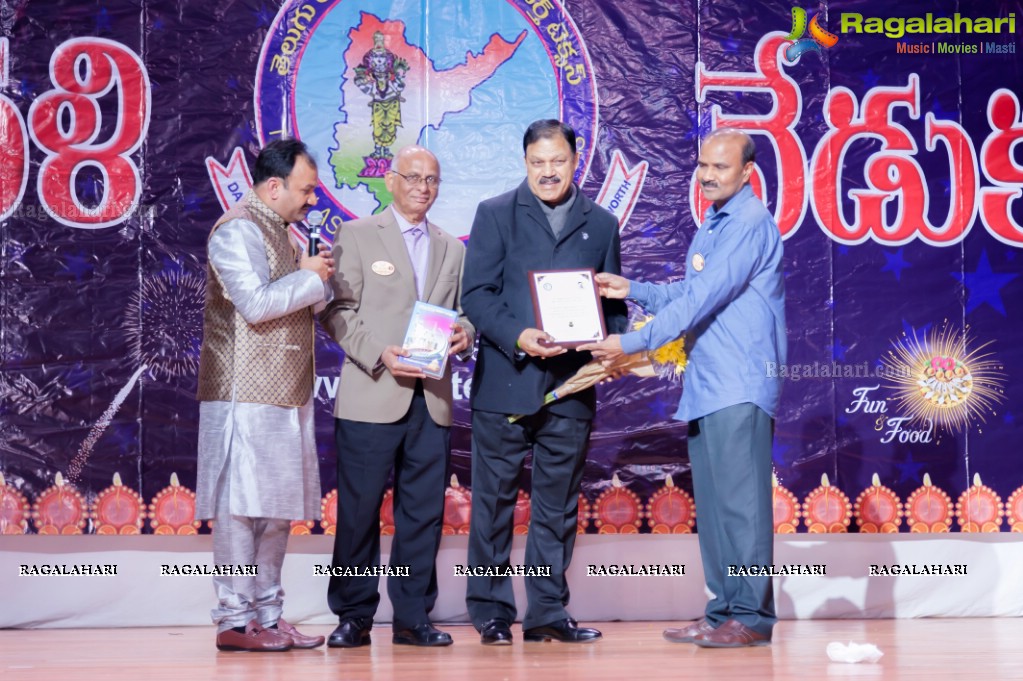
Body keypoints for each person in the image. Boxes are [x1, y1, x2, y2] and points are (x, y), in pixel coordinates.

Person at [580, 128, 786, 648]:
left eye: (721, 167)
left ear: (747, 173)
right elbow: (691, 290)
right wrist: (637, 289)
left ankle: (751, 617)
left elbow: (703, 299)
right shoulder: (713, 224)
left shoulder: (748, 221)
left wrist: (632, 341)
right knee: (716, 509)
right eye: (703, 166)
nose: (709, 175)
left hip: (739, 381)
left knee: (742, 507)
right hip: (708, 382)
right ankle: (721, 613)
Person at [460, 119, 628, 645]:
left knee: (557, 506)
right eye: (538, 162)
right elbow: (478, 297)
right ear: (525, 162)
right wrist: (519, 336)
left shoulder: (600, 223)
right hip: (506, 383)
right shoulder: (494, 214)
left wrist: (609, 341)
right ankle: (490, 611)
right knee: (492, 504)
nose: (548, 171)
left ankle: (548, 612)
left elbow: (614, 308)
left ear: (576, 160)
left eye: (557, 161)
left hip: (572, 387)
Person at [320, 145, 474, 648]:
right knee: (359, 512)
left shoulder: (452, 247)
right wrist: (378, 353)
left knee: (422, 513)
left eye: (432, 179)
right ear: (390, 180)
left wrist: (465, 333)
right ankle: (353, 615)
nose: (422, 188)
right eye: (412, 177)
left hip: (431, 400)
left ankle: (412, 616)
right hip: (372, 394)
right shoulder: (359, 235)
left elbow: (464, 312)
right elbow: (336, 310)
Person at [195, 138, 334, 652]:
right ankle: (234, 621)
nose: (312, 200)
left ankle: (269, 617)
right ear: (273, 187)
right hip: (243, 394)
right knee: (239, 511)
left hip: (284, 390)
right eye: (306, 190)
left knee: (276, 510)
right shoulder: (236, 230)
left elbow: (297, 302)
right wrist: (307, 277)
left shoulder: (280, 231)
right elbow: (254, 304)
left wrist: (319, 279)